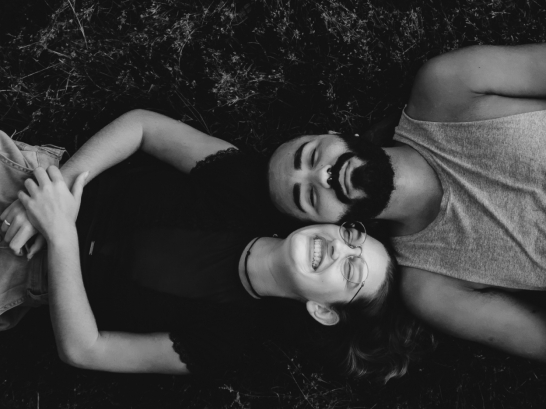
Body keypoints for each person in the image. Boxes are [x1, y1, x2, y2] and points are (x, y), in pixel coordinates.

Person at [264, 43, 546, 368]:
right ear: (330, 225)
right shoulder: (431, 286)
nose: (321, 175)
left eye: (309, 158)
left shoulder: (446, 88)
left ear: (334, 136)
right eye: (307, 197)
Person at [0, 114, 424, 382]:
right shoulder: (245, 189)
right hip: (40, 185)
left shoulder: (227, 343)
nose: (339, 251)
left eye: (352, 272)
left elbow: (85, 350)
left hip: (24, 273)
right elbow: (144, 127)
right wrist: (61, 190)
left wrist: (59, 235)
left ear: (324, 310)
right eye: (353, 239)